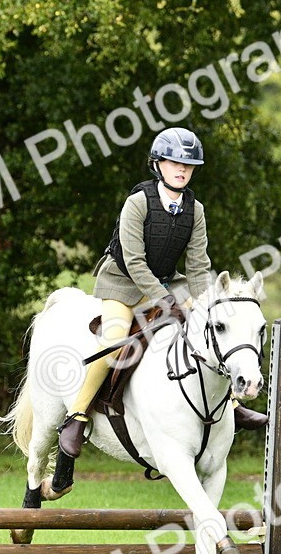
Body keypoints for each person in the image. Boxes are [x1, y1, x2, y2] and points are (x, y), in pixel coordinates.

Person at [57, 127, 268, 458]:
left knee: (210, 331)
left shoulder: (194, 210)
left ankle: (231, 403)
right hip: (123, 283)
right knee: (113, 342)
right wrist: (164, 300)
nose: (181, 170)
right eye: (173, 163)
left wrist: (204, 304)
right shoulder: (137, 203)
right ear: (158, 164)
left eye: (187, 165)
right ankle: (77, 415)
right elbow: (135, 262)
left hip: (170, 281)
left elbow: (199, 266)